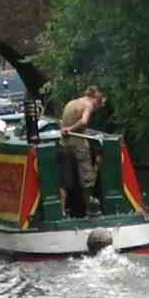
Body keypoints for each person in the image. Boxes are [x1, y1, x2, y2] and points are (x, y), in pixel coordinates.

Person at [59, 85, 105, 216]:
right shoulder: (88, 105)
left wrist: (66, 129)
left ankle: (62, 211)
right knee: (87, 180)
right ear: (95, 99)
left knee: (64, 181)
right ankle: (89, 210)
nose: (96, 108)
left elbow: (62, 123)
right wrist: (71, 129)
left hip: (64, 145)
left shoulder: (71, 103)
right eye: (98, 105)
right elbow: (84, 121)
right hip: (79, 146)